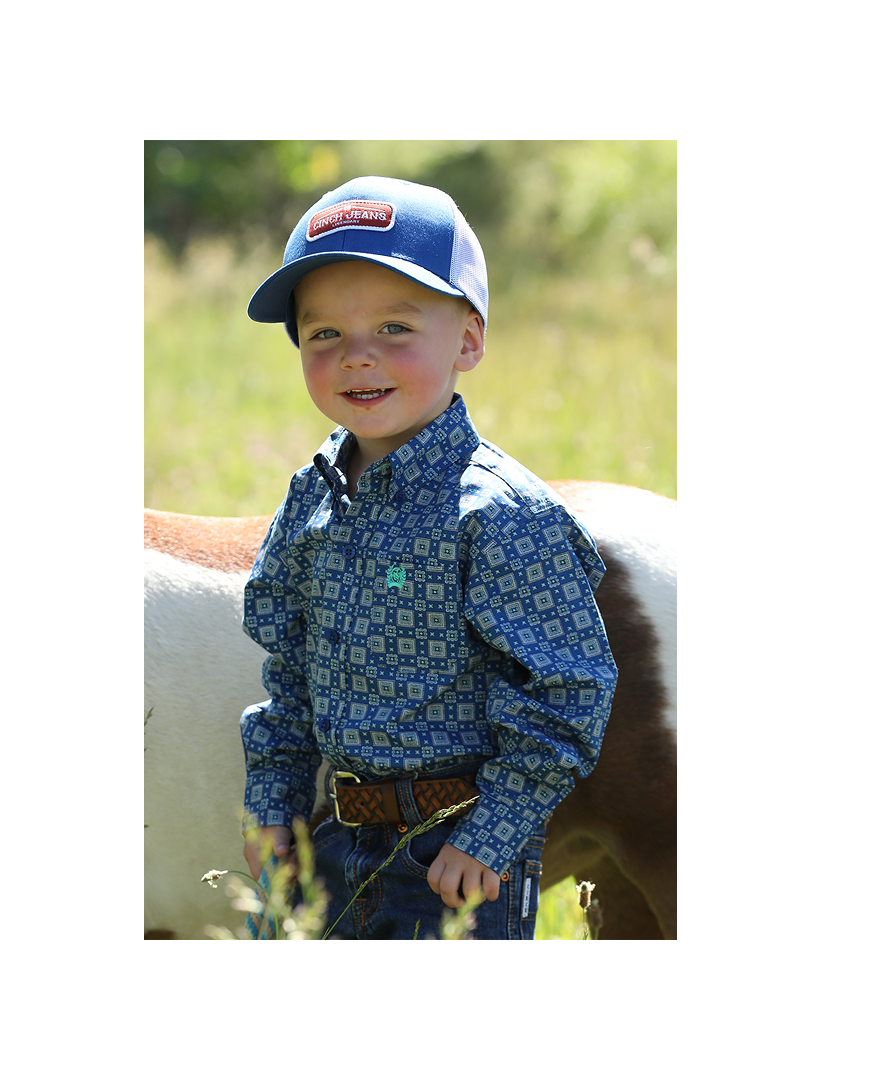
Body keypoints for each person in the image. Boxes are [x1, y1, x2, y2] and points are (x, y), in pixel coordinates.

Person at [238, 175, 618, 939]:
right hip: (333, 840)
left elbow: (570, 687)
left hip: (453, 852)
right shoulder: (311, 497)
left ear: (468, 340)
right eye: (324, 334)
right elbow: (288, 669)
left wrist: (492, 833)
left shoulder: (498, 512)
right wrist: (274, 802)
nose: (357, 358)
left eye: (394, 328)